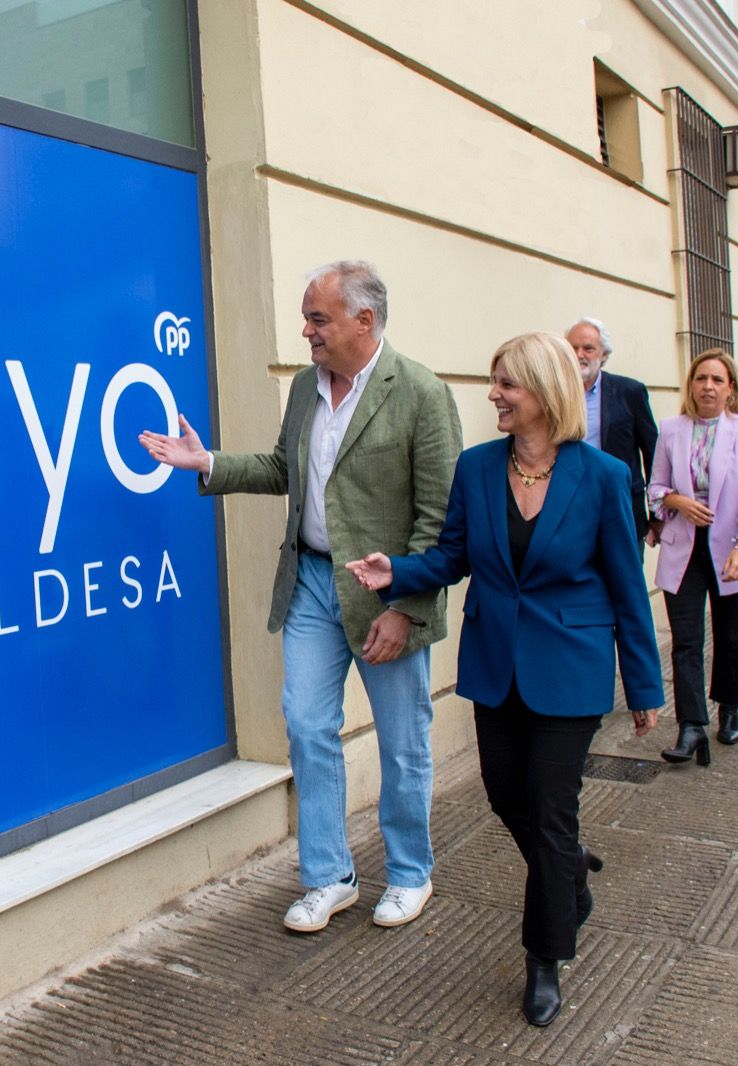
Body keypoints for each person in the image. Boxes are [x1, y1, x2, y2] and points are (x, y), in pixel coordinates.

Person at [347, 331, 662, 1028]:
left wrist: (644, 688)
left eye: (506, 385)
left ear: (544, 393)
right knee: (503, 796)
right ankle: (570, 869)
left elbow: (626, 589)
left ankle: (545, 957)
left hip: (571, 669)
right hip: (495, 666)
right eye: (495, 384)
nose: (494, 395)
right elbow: (453, 556)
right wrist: (396, 571)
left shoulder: (604, 476)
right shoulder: (478, 468)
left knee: (551, 813)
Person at [138, 261, 463, 933]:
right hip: (313, 581)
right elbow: (283, 471)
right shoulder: (305, 390)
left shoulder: (422, 393)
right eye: (308, 318)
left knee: (404, 742)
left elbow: (440, 519)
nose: (307, 331)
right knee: (309, 728)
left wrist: (406, 608)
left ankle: (409, 873)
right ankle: (327, 876)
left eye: (319, 319)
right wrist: (208, 464)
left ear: (363, 321)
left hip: (387, 593)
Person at [648, 350, 738, 765]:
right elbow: (655, 488)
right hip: (683, 548)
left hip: (730, 548)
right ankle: (690, 727)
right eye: (701, 378)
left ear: (731, 387)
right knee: (685, 641)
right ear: (691, 385)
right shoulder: (671, 429)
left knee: (730, 635)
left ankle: (729, 706)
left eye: (717, 380)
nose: (708, 386)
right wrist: (678, 500)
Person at [566, 317, 659, 549]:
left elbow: (653, 455)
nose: (579, 354)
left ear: (604, 354)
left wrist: (656, 515)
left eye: (588, 348)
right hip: (570, 509)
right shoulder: (554, 396)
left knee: (625, 581)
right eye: (572, 348)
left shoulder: (630, 392)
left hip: (622, 508)